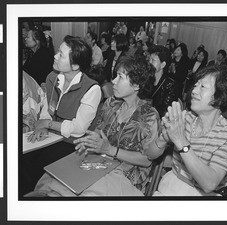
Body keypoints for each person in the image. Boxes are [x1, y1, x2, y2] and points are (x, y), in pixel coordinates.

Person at [30, 56, 162, 196]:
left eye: (120, 77)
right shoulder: (111, 103)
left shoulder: (149, 117)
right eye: (116, 75)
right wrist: (90, 142)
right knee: (50, 180)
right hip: (100, 162)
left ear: (136, 85)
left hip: (126, 175)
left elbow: (146, 160)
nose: (114, 81)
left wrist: (110, 150)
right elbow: (99, 131)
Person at [147, 65, 227, 196]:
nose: (193, 91)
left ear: (220, 96)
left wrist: (180, 141)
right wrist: (163, 138)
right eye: (196, 85)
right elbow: (150, 155)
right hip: (172, 185)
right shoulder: (184, 118)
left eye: (202, 87)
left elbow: (209, 184)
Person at [27, 35, 102, 142]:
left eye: (61, 55)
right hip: (51, 136)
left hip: (75, 143)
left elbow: (78, 129)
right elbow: (48, 107)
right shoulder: (52, 77)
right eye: (58, 52)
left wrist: (48, 124)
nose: (55, 56)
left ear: (75, 66)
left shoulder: (92, 89)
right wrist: (43, 126)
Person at [148, 45, 180, 118]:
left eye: (153, 60)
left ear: (163, 64)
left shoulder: (170, 85)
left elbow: (165, 112)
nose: (149, 63)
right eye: (149, 59)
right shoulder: (147, 79)